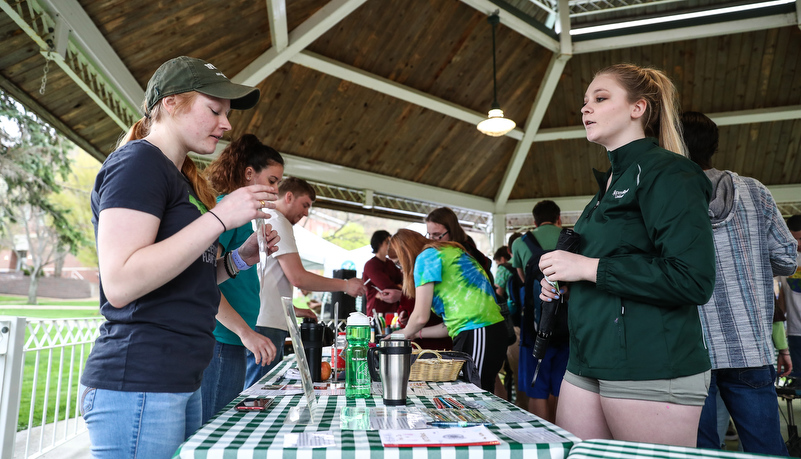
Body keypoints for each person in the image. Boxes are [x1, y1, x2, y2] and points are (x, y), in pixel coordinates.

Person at [79, 56, 280, 458]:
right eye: (215, 110)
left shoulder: (178, 178)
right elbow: (120, 283)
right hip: (141, 378)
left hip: (178, 377)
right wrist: (221, 218)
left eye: (226, 114)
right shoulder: (138, 162)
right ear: (170, 103)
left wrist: (239, 259)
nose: (226, 125)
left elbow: (184, 279)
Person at [538, 63, 716, 447]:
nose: (586, 109)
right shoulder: (607, 186)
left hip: (648, 362)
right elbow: (607, 272)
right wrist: (565, 281)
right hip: (586, 358)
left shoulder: (670, 174)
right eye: (584, 102)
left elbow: (692, 278)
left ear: (638, 108)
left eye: (600, 99)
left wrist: (587, 267)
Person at [681, 111, 796, 454]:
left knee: (701, 450)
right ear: (713, 147)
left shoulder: (666, 197)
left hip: (691, 349)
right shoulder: (755, 191)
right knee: (767, 447)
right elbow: (788, 260)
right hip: (749, 345)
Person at [244, 177, 366, 388]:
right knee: (259, 396)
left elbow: (268, 278)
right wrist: (346, 285)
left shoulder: (269, 218)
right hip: (266, 325)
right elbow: (298, 277)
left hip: (266, 319)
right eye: (305, 205)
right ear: (289, 196)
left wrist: (292, 309)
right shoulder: (277, 219)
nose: (307, 213)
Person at [199, 134, 285, 424]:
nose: (275, 190)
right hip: (224, 338)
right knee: (215, 425)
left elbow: (227, 269)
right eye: (272, 181)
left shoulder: (247, 217)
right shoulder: (228, 211)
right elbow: (205, 280)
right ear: (249, 173)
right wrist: (245, 333)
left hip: (234, 339)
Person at [390, 229, 507, 392]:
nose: (400, 269)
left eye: (398, 263)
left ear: (406, 253)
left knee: (474, 397)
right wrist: (415, 334)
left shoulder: (425, 258)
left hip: (480, 330)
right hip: (482, 331)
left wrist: (398, 335)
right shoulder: (444, 251)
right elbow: (450, 325)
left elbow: (420, 317)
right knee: (472, 397)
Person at [511, 200, 568, 422]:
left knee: (537, 387)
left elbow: (523, 279)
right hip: (568, 325)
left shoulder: (520, 243)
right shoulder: (572, 238)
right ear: (559, 218)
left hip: (535, 327)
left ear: (534, 222)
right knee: (562, 386)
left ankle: (544, 441)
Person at [425, 207, 493, 285]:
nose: (432, 240)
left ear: (451, 231)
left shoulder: (465, 252)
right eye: (429, 234)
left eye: (437, 234)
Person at [363, 230, 404, 316]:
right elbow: (386, 286)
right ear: (379, 244)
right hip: (377, 313)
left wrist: (399, 287)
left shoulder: (391, 263)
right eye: (387, 242)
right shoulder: (371, 265)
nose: (391, 246)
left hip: (394, 312)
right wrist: (399, 287)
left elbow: (404, 281)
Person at [783, 215, 801, 380]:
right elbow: (781, 298)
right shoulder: (786, 259)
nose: (798, 244)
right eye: (794, 239)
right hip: (795, 331)